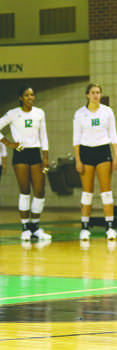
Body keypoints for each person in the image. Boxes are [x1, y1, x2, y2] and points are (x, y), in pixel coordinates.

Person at [0, 86, 51, 241]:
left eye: (32, 94)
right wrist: (9, 143)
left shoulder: (39, 113)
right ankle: (25, 228)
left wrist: (46, 157)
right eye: (27, 95)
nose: (30, 97)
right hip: (21, 153)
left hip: (35, 153)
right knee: (24, 191)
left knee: (40, 191)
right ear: (21, 98)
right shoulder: (13, 114)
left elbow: (44, 136)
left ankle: (35, 226)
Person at [73, 83, 117, 241]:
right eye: (92, 92)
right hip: (86, 152)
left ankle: (110, 227)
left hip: (103, 151)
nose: (95, 95)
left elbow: (113, 134)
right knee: (87, 192)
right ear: (87, 95)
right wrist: (78, 159)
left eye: (98, 92)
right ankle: (85, 227)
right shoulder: (80, 113)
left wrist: (116, 155)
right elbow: (76, 139)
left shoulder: (107, 112)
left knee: (106, 191)